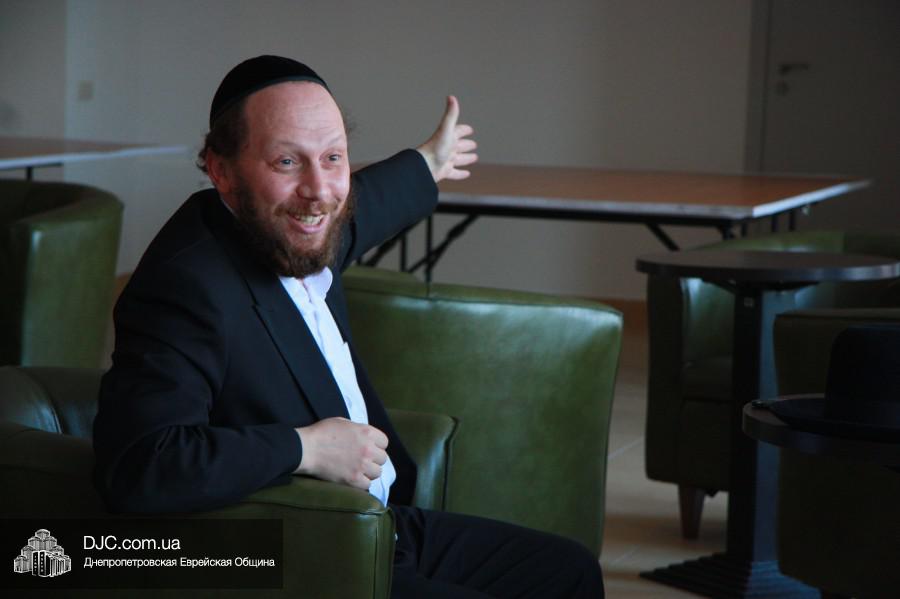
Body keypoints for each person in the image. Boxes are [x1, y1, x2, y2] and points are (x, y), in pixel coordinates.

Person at [93, 55, 604, 598]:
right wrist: (305, 449)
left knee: (569, 571)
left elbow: (367, 203)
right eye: (286, 161)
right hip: (303, 557)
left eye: (333, 157)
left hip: (383, 528)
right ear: (221, 170)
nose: (319, 190)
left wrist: (429, 161)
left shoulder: (299, 228)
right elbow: (141, 466)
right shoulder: (184, 285)